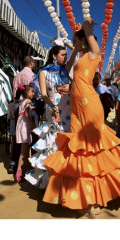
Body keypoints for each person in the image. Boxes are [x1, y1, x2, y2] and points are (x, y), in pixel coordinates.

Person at [43, 19, 120, 218]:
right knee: (79, 151)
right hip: (78, 109)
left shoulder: (92, 54)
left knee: (93, 150)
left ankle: (94, 198)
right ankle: (83, 196)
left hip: (90, 106)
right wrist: (69, 85)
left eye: (75, 40)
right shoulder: (80, 59)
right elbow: (74, 75)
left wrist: (86, 28)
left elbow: (91, 44)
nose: (73, 43)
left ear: (84, 41)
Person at [25, 45, 77, 189]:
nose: (65, 57)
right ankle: (52, 185)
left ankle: (66, 182)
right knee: (54, 145)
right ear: (54, 56)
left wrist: (74, 47)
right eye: (62, 55)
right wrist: (53, 106)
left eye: (66, 55)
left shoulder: (65, 69)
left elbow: (74, 55)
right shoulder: (43, 72)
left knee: (67, 145)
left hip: (68, 111)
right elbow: (43, 94)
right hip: (53, 110)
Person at [8, 56, 36, 174]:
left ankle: (13, 163)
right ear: (31, 63)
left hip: (16, 106)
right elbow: (34, 91)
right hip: (27, 106)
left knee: (16, 136)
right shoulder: (32, 75)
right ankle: (33, 164)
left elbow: (14, 92)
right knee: (32, 136)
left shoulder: (16, 76)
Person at [14, 84, 36, 183]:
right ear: (27, 93)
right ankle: (19, 173)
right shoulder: (28, 101)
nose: (33, 93)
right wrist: (32, 124)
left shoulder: (22, 101)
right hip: (25, 126)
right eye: (32, 91)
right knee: (24, 151)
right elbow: (27, 113)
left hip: (21, 125)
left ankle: (27, 170)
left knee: (25, 150)